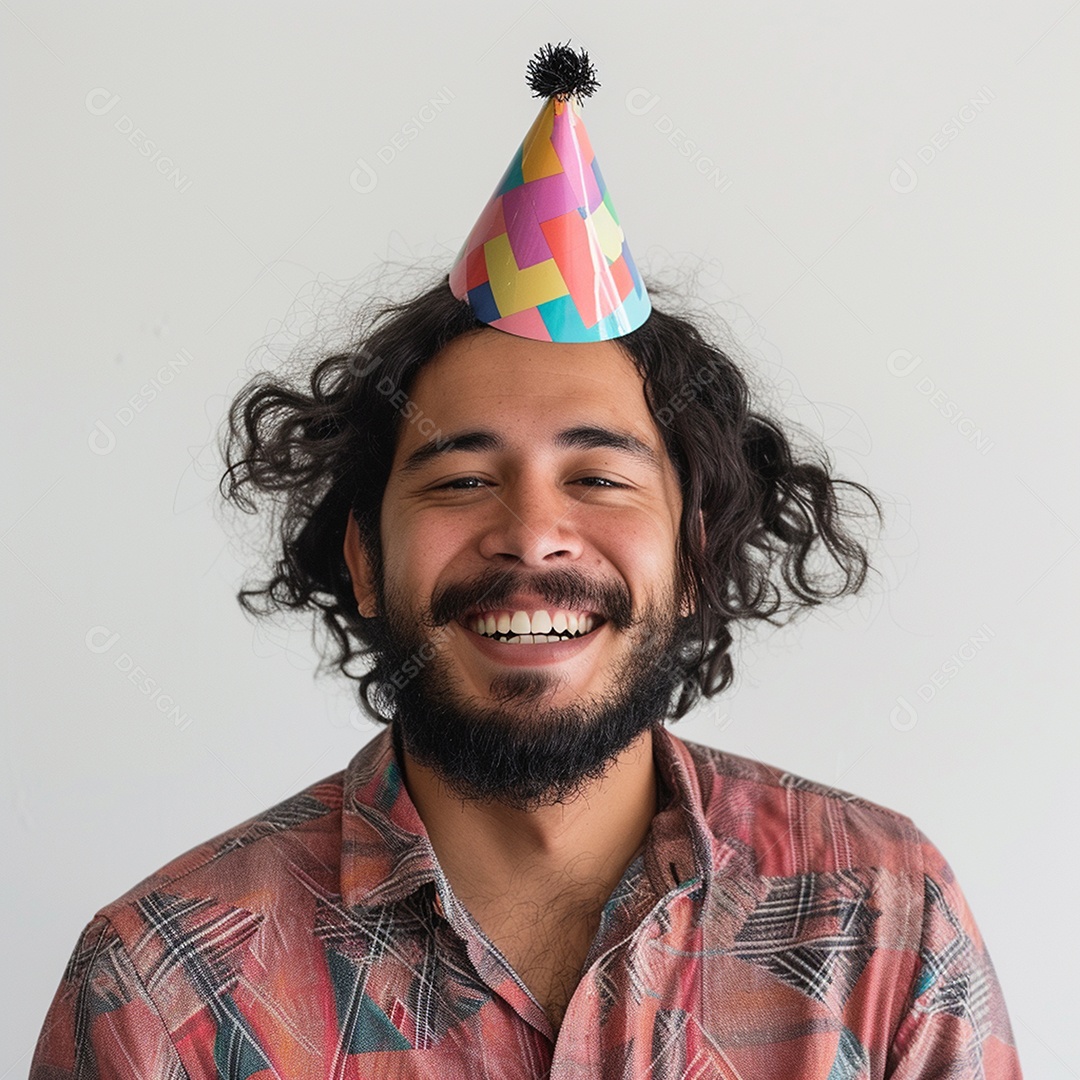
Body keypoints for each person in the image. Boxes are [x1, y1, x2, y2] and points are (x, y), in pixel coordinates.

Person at [31, 44, 1022, 1079]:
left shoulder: (884, 919)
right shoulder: (164, 991)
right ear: (364, 560)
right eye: (460, 481)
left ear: (690, 559)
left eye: (598, 478)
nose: (532, 534)